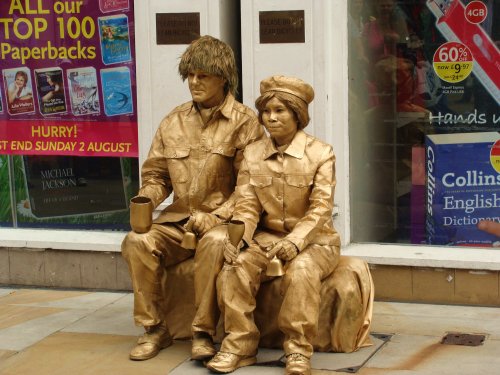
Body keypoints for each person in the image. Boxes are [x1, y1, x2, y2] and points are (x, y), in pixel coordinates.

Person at [121, 35, 265, 362]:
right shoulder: (173, 121)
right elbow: (157, 174)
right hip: (179, 220)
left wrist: (216, 217)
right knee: (136, 242)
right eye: (190, 75)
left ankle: (202, 332)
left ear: (223, 77)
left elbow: (250, 186)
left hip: (224, 223)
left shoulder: (246, 123)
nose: (194, 82)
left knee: (215, 244)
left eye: (203, 75)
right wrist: (146, 198)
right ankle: (154, 329)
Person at [207, 76, 340, 375]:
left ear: (297, 114)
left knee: (302, 271)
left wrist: (294, 241)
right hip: (267, 238)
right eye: (267, 111)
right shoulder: (253, 154)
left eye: (280, 110)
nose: (272, 118)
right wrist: (239, 238)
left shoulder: (321, 153)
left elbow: (320, 208)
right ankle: (239, 345)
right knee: (235, 266)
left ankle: (297, 351)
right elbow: (247, 205)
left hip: (316, 241)